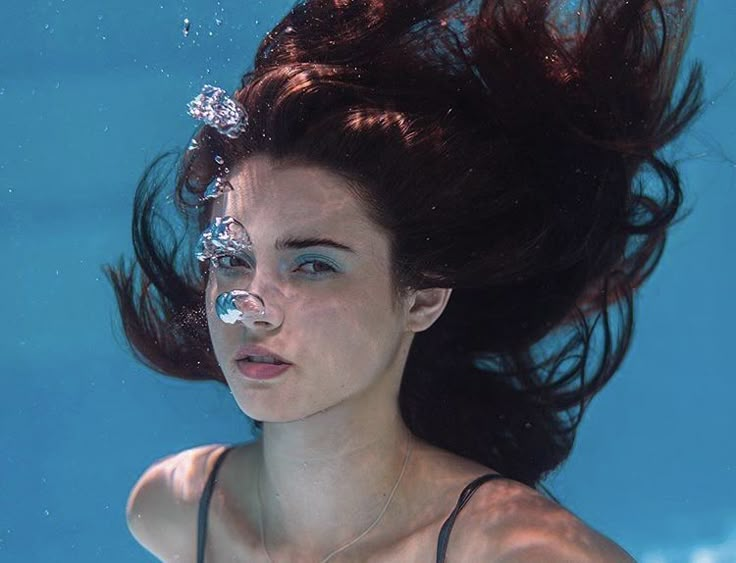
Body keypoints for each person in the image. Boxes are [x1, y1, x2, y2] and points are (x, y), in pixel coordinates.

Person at [104, 0, 704, 560]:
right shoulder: (174, 507)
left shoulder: (518, 550)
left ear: (422, 297)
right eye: (231, 260)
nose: (251, 306)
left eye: (313, 264)